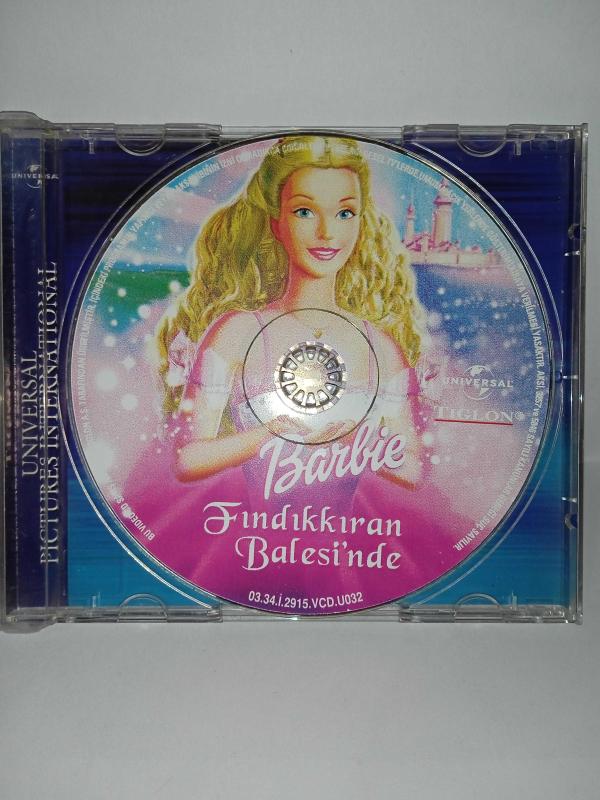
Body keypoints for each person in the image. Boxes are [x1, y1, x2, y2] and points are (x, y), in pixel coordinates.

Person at [155, 135, 426, 493]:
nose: (327, 232)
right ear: (276, 223)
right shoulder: (236, 332)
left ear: (360, 223)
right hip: (249, 530)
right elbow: (187, 459)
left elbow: (414, 470)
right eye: (304, 211)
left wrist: (356, 440)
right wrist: (267, 434)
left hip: (351, 533)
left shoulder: (381, 348)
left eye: (345, 213)